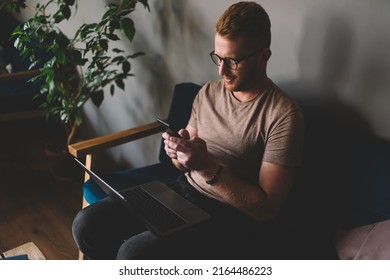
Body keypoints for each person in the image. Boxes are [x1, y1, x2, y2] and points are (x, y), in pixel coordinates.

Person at [72, 1, 304, 260]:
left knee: (132, 254)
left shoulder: (283, 115)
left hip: (228, 216)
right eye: (218, 57)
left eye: (233, 61)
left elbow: (266, 208)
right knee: (87, 224)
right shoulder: (208, 93)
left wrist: (206, 166)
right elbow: (181, 166)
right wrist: (177, 152)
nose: (221, 70)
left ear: (264, 56)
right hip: (183, 190)